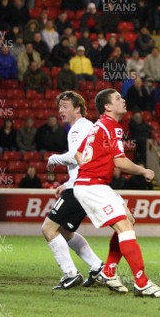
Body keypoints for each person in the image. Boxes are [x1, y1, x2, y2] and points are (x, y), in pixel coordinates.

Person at [73, 88, 160, 297]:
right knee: (125, 227)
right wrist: (143, 170)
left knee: (127, 220)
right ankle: (142, 282)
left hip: (92, 184)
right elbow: (120, 161)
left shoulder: (97, 126)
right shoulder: (111, 126)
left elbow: (79, 153)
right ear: (108, 107)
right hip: (92, 185)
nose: (123, 100)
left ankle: (108, 271)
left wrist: (91, 167)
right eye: (118, 98)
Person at [41, 91, 104, 290]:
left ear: (78, 109)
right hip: (83, 185)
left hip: (80, 188)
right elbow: (84, 161)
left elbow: (75, 156)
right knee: (66, 231)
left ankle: (70, 274)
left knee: (48, 229)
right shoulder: (86, 126)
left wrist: (53, 158)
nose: (61, 110)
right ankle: (97, 267)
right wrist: (67, 183)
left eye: (66, 106)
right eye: (60, 106)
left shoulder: (78, 128)